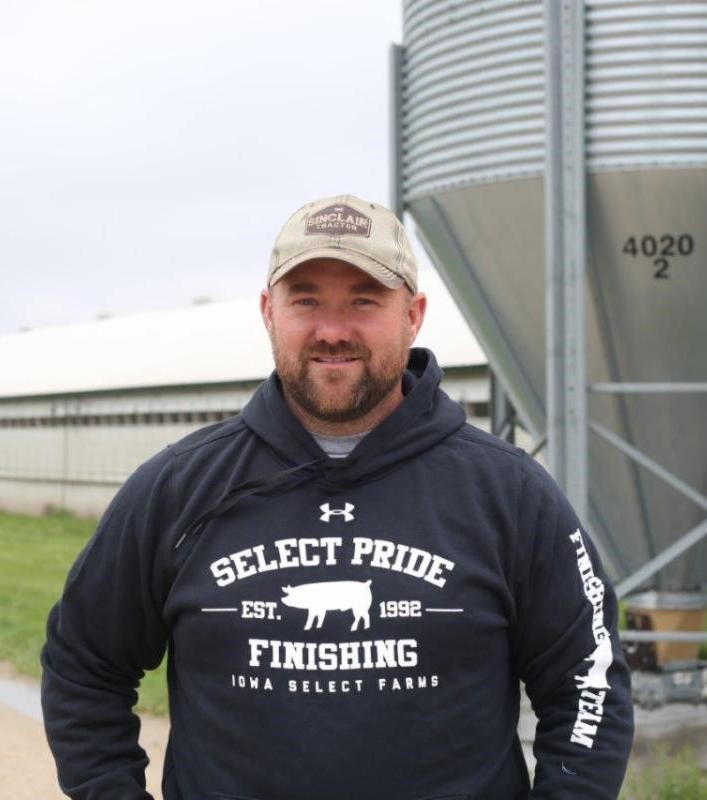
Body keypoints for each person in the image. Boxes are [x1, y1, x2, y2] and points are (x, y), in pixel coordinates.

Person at [41, 193, 634, 799]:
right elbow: (83, 664)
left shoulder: (508, 492)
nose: (332, 330)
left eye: (364, 300)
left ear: (414, 314)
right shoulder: (178, 487)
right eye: (306, 301)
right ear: (269, 312)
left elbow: (588, 682)